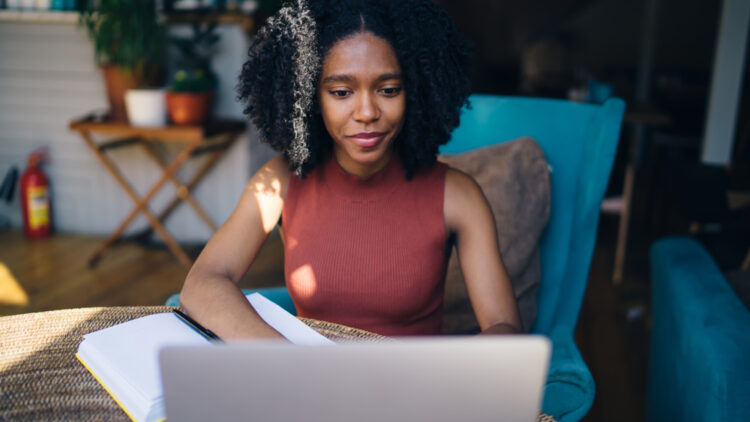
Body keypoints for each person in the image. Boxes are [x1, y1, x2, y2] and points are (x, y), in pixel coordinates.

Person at [179, 0, 522, 339]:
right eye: (342, 92)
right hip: (309, 386)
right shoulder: (280, 182)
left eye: (388, 90)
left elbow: (505, 326)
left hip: (412, 388)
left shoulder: (457, 195)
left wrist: (453, 375)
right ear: (309, 96)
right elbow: (203, 283)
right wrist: (284, 360)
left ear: (416, 91)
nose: (367, 112)